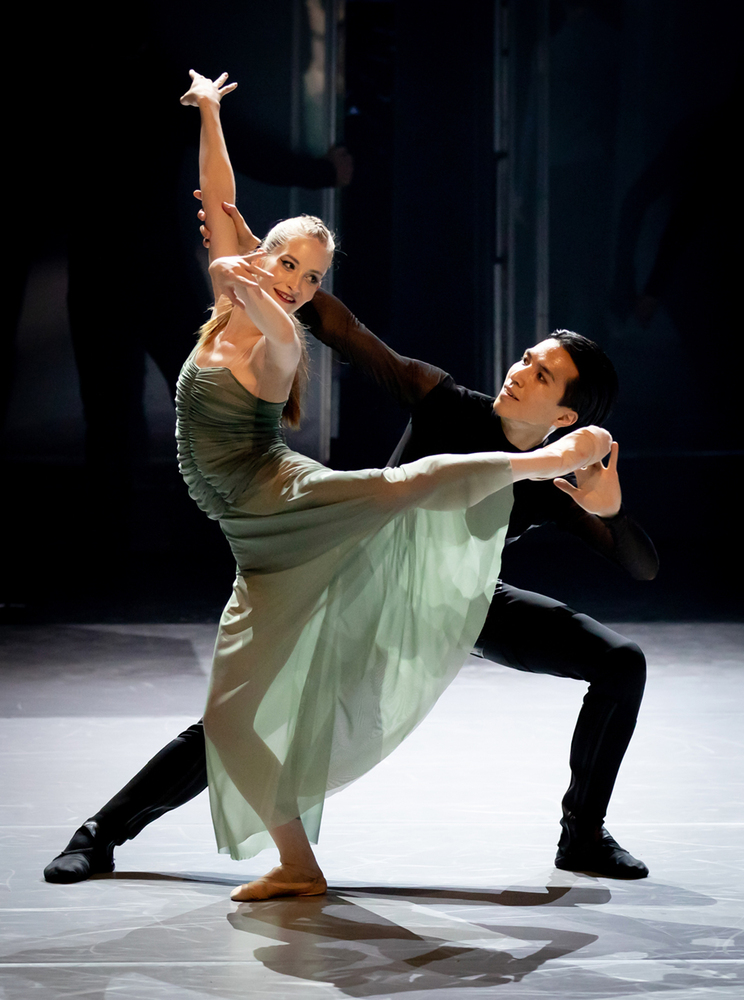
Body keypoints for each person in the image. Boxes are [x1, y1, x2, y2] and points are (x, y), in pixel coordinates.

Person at [43, 74, 634, 894]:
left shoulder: (276, 327)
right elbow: (223, 211)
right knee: (234, 712)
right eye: (527, 357)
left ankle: (581, 832)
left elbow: (629, 552)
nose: (520, 371)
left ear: (566, 417)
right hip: (311, 547)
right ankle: (126, 833)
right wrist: (211, 115)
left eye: (543, 376)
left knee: (608, 652)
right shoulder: (432, 389)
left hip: (406, 571)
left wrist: (595, 496)